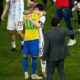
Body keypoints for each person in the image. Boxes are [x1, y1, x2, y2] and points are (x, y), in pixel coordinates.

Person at [22, 4, 44, 79]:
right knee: (34, 57)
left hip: (26, 39)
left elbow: (23, 26)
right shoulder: (36, 15)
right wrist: (32, 19)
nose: (36, 11)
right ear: (33, 10)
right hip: (34, 39)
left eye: (37, 9)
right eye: (35, 9)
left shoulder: (25, 17)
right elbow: (38, 26)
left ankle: (26, 73)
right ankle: (34, 75)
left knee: (25, 56)